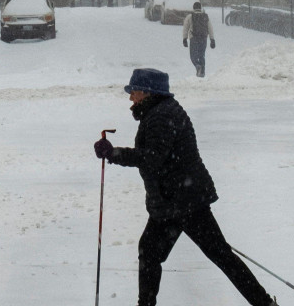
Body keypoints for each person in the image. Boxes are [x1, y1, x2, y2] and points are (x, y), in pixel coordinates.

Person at [94, 68, 277, 306]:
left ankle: (264, 303)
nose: (131, 98)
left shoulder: (161, 115)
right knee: (152, 252)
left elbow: (153, 158)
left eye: (134, 91)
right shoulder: (158, 112)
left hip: (184, 201)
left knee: (219, 256)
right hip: (173, 202)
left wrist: (115, 153)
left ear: (148, 92)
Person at [181, 1, 216, 77]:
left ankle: (197, 65)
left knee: (193, 55)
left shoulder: (190, 16)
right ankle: (202, 72)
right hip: (203, 38)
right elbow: (210, 28)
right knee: (201, 55)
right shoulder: (205, 16)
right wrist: (212, 39)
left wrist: (185, 39)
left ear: (193, 8)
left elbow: (185, 28)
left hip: (194, 38)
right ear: (200, 8)